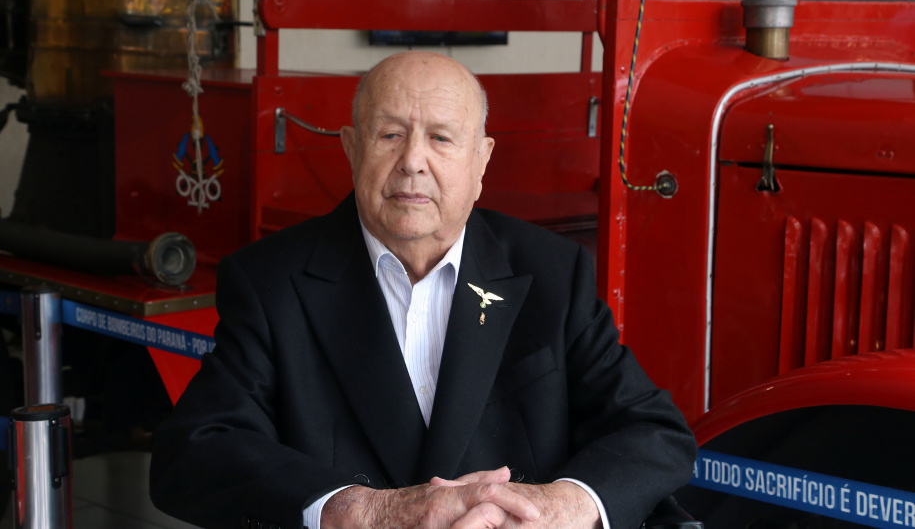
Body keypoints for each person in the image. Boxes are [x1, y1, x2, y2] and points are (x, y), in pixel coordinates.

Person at [150, 51, 697, 529]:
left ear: (481, 161)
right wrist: (364, 513)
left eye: (440, 138)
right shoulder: (272, 281)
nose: (413, 161)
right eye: (389, 135)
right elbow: (193, 454)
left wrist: (562, 508)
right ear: (350, 148)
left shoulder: (551, 273)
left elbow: (654, 432)